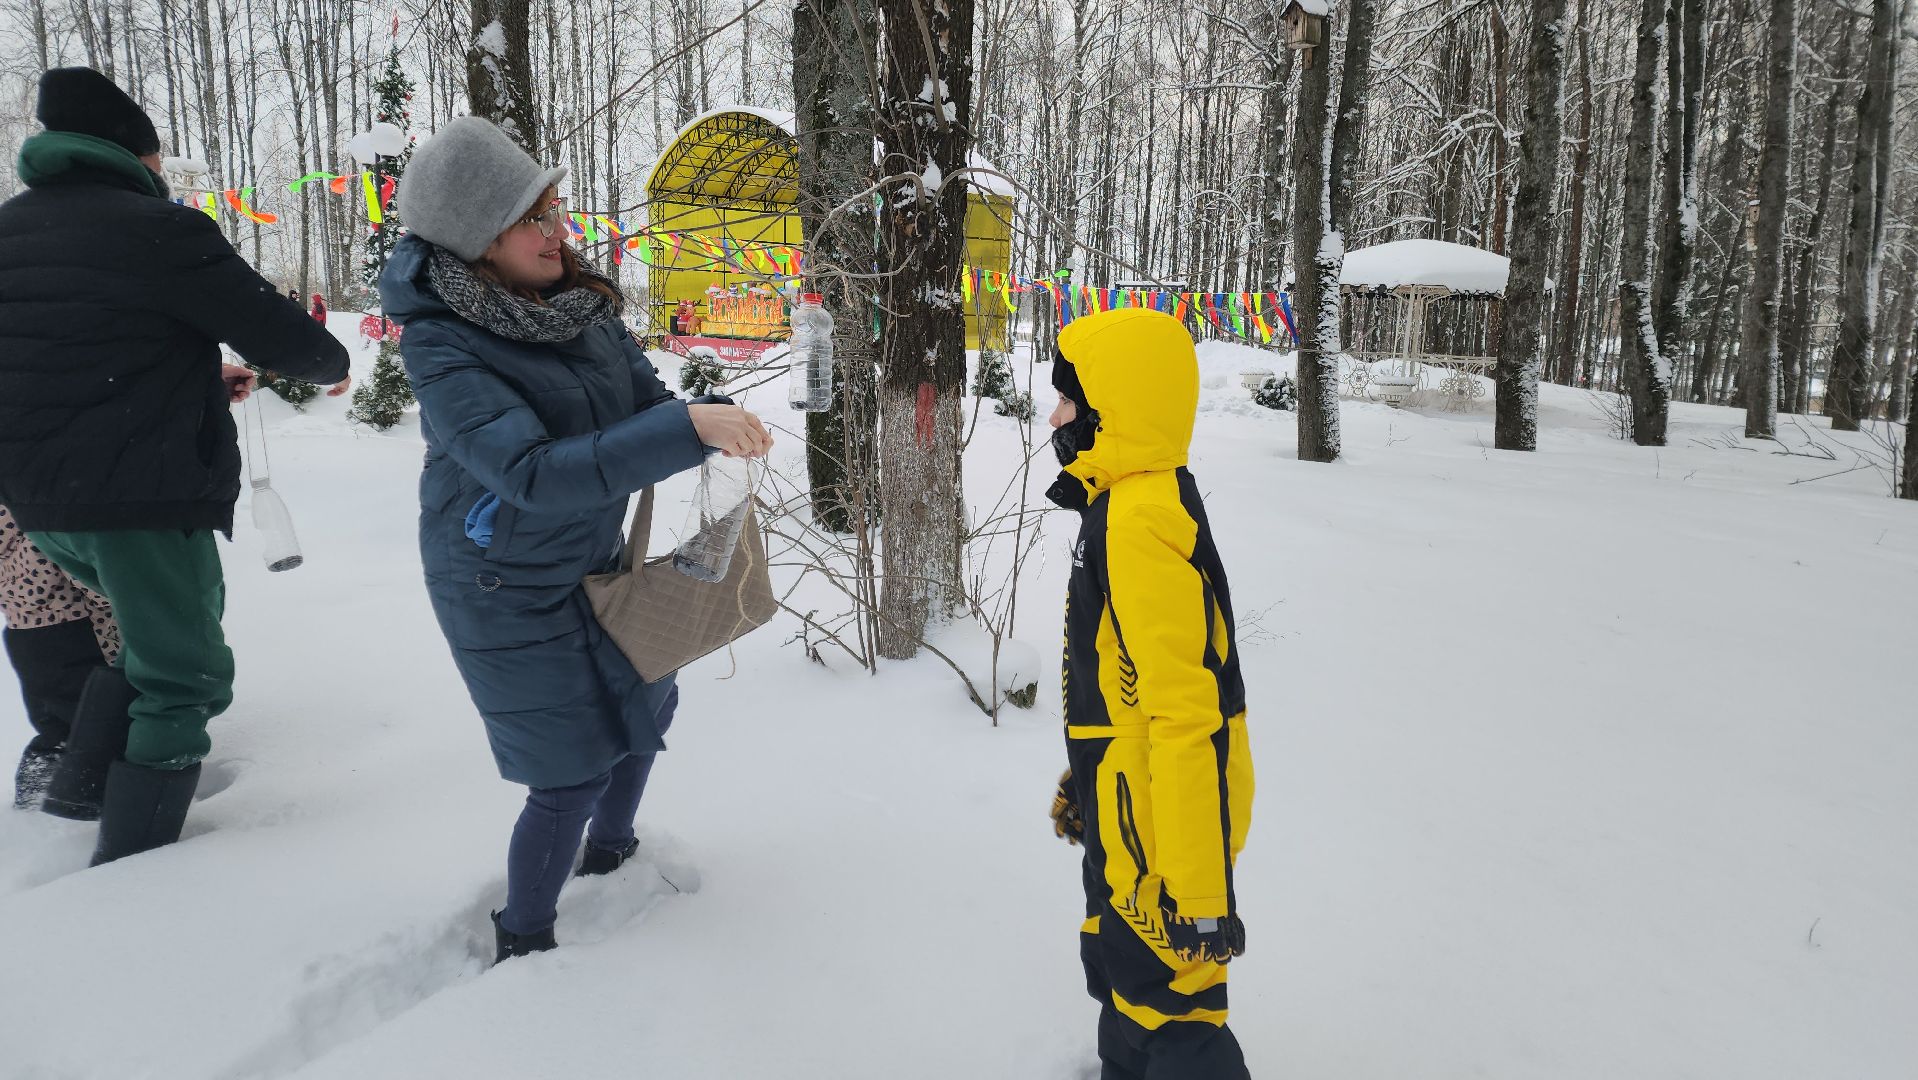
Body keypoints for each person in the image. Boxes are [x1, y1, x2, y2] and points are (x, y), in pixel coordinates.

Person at [378, 116, 773, 965]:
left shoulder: (578, 309)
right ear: (475, 237)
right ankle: (527, 942)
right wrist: (682, 430)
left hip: (592, 560)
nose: (557, 229)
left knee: (645, 708)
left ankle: (614, 854)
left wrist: (705, 421)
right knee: (566, 772)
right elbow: (528, 470)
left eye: (554, 207)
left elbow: (643, 401)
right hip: (499, 580)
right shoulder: (440, 340)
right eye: (531, 216)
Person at [0, 67, 353, 865]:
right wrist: (327, 359)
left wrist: (191, 378)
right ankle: (133, 873)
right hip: (140, 497)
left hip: (38, 503)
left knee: (154, 652)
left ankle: (76, 794)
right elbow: (276, 332)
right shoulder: (157, 230)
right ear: (138, 154)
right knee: (184, 677)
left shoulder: (9, 230)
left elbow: (65, 355)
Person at [1044, 308, 1255, 1080]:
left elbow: (1187, 711)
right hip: (1129, 800)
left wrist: (1200, 890)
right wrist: (1090, 779)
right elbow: (1118, 682)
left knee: (1175, 1004)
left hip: (1168, 823)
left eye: (1068, 399)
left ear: (1112, 407)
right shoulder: (1121, 505)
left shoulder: (1139, 521)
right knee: (1125, 978)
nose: (1054, 415)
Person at [1, 505, 121, 810]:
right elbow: (80, 572)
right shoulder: (37, 521)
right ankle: (87, 798)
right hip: (70, 631)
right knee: (89, 719)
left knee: (54, 721)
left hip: (24, 634)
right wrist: (113, 601)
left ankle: (33, 797)